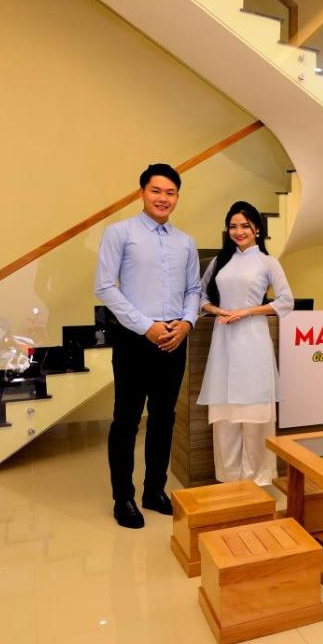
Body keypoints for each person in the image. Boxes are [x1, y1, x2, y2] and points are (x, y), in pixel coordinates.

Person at [94, 164, 200, 528]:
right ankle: (122, 497)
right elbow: (104, 286)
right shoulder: (120, 233)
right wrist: (145, 326)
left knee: (164, 418)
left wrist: (187, 323)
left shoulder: (185, 241)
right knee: (126, 421)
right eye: (156, 191)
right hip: (134, 338)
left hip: (174, 338)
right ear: (142, 193)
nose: (163, 198)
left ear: (177, 197)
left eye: (170, 193)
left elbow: (194, 289)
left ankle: (154, 490)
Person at [197, 201, 293, 485]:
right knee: (225, 414)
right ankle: (229, 478)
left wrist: (247, 311)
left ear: (257, 229)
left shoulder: (268, 262)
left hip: (253, 339)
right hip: (223, 339)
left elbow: (286, 301)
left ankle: (257, 478)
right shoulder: (219, 262)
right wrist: (217, 310)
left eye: (245, 226)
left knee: (254, 413)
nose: (238, 231)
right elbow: (200, 297)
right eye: (233, 226)